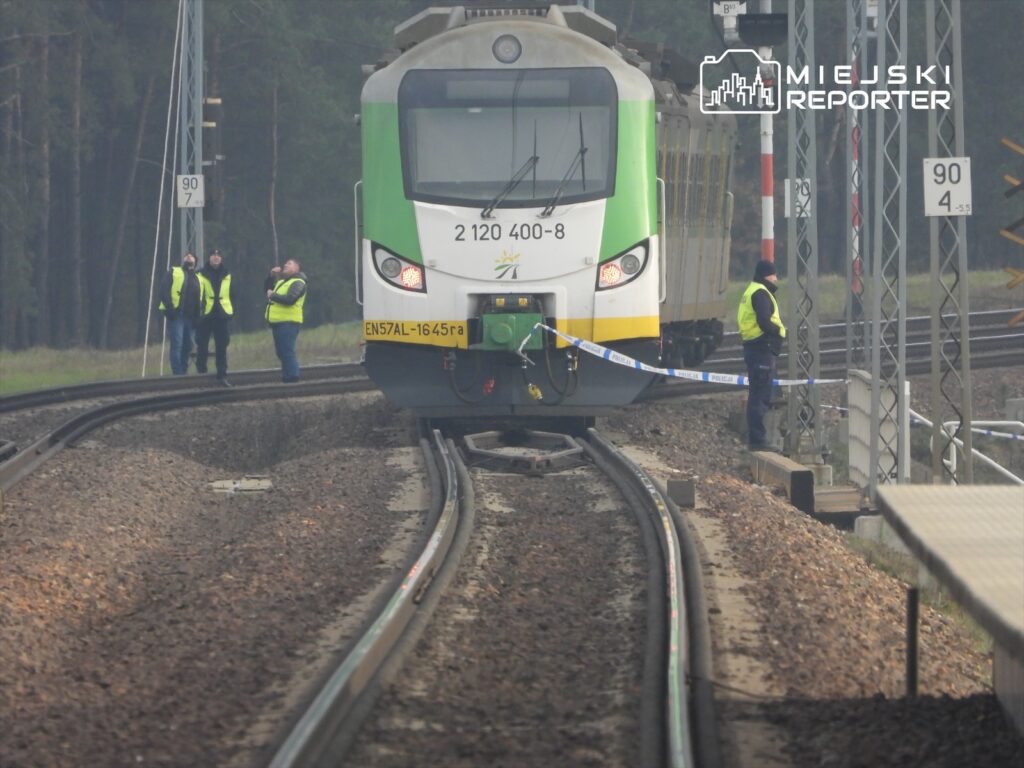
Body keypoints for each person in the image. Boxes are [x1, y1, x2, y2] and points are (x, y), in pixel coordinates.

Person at [737, 259, 787, 450]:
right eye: (774, 274)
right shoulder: (760, 293)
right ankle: (758, 441)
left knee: (757, 393)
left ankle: (757, 439)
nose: (776, 278)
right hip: (761, 348)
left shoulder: (752, 290)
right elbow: (764, 321)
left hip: (753, 347)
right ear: (768, 275)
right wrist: (777, 331)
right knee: (760, 396)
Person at [196, 248, 238, 387]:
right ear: (209, 258)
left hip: (221, 314)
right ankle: (201, 373)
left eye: (218, 255)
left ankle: (222, 374)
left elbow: (233, 293)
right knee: (202, 345)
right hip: (206, 315)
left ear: (221, 259)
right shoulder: (200, 274)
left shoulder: (227, 274)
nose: (215, 257)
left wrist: (230, 311)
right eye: (213, 255)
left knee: (222, 345)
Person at [159, 251, 204, 375]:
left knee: (188, 346)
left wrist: (198, 317)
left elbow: (201, 299)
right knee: (177, 344)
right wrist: (170, 309)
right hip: (177, 315)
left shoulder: (199, 279)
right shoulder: (174, 272)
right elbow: (164, 290)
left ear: (195, 261)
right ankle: (178, 373)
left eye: (191, 255)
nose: (188, 256)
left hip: (191, 318)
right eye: (186, 255)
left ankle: (183, 371)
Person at [265, 258, 308, 382]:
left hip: (289, 322)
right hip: (278, 322)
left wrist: (273, 295)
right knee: (281, 352)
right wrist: (271, 277)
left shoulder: (299, 282)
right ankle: (287, 376)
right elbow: (267, 291)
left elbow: (290, 299)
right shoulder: (282, 282)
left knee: (287, 351)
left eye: (289, 264)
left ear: (297, 268)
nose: (285, 265)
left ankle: (292, 377)